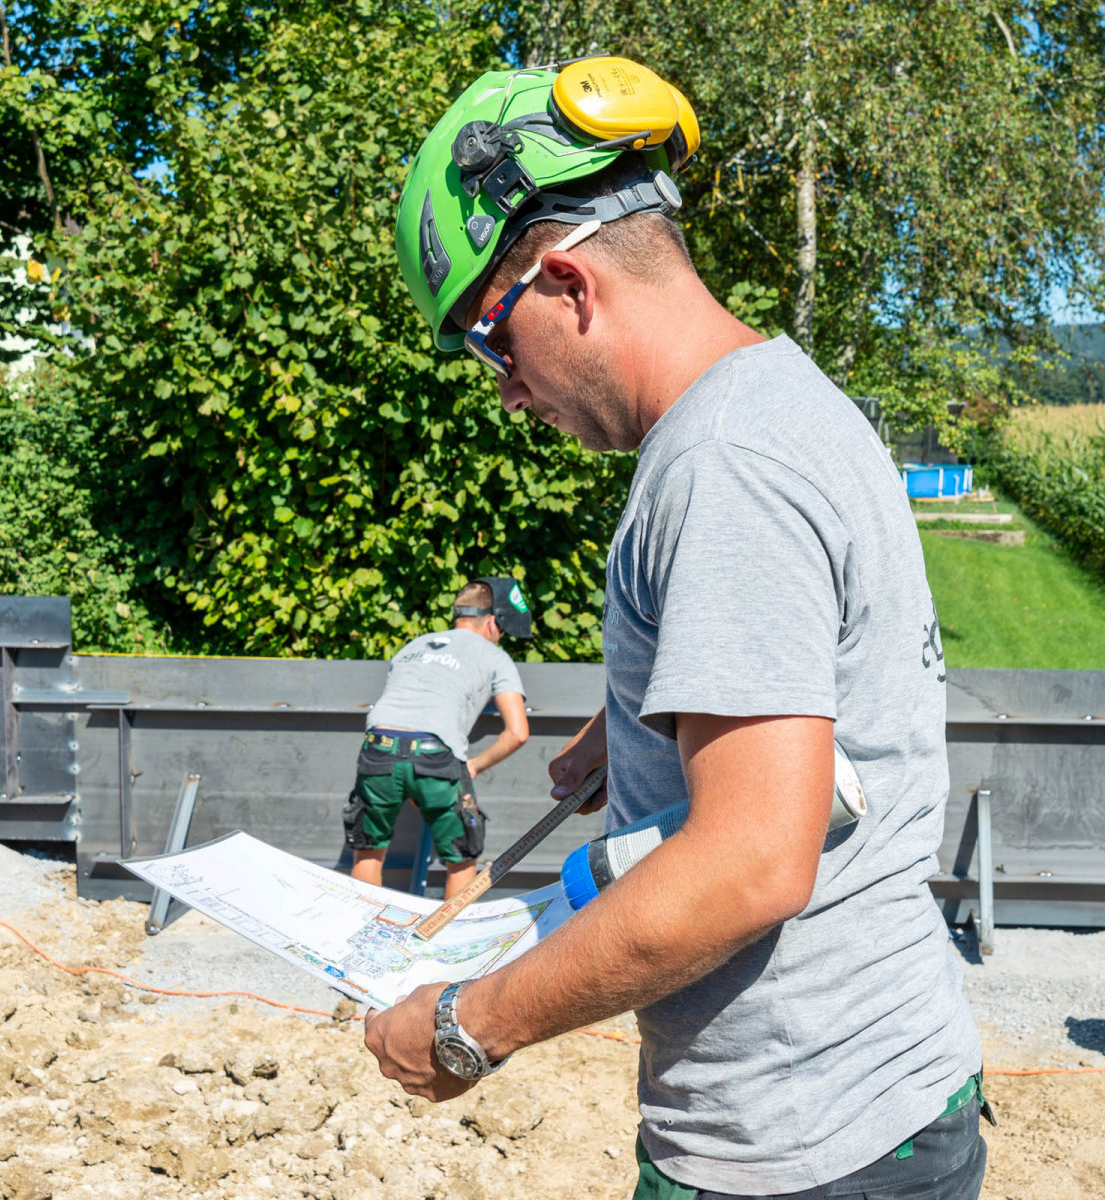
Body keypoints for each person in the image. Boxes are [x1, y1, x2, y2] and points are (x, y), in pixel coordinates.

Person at [368, 56, 985, 1199]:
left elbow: (749, 864)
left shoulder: (722, 467)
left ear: (567, 283)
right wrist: (650, 719)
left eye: (491, 341)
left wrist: (469, 1027)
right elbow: (815, 668)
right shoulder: (784, 400)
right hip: (882, 1092)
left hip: (799, 1146)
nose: (506, 392)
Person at [346, 578, 531, 899]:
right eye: (501, 630)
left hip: (378, 748)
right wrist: (473, 766)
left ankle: (365, 927)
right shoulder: (494, 655)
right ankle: (449, 931)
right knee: (461, 859)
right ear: (492, 622)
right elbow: (517, 733)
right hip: (436, 755)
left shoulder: (413, 647)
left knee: (368, 852)